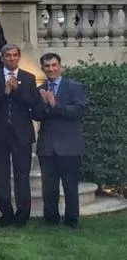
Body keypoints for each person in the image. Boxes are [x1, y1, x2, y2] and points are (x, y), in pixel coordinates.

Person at [35, 53, 86, 228]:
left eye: (54, 65)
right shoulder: (40, 89)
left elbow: (78, 111)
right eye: (47, 66)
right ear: (43, 68)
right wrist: (44, 103)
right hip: (47, 146)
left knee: (70, 186)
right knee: (49, 188)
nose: (51, 69)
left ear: (60, 66)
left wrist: (55, 105)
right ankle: (51, 219)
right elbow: (36, 115)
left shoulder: (74, 87)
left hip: (69, 145)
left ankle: (71, 220)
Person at [0, 45, 37, 227]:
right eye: (7, 56)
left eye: (14, 55)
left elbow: (32, 102)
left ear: (19, 57)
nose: (11, 59)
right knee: (1, 175)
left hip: (22, 133)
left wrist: (16, 90)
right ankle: (6, 212)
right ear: (2, 57)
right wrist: (6, 92)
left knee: (22, 175)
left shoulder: (28, 78)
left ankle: (22, 214)